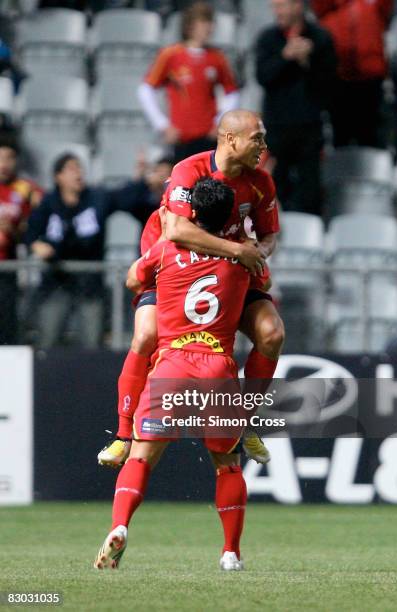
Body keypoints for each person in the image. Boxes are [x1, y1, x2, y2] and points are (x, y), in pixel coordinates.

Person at [97, 109, 284, 468]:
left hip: (226, 270)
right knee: (146, 334)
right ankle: (122, 435)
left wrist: (259, 252)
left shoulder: (261, 181)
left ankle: (244, 421)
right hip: (177, 267)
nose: (263, 146)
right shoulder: (189, 169)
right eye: (257, 138)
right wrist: (237, 250)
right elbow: (178, 231)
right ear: (230, 139)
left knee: (272, 333)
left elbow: (270, 234)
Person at [94, 178, 253, 572]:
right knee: (227, 463)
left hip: (174, 363)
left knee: (142, 456)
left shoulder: (166, 249)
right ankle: (230, 552)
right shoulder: (242, 258)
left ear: (191, 214)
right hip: (217, 363)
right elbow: (260, 284)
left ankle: (120, 526)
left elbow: (133, 279)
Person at [26, 153, 168, 348]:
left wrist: (142, 181)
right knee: (48, 338)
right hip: (55, 283)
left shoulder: (96, 198)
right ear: (58, 176)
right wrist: (36, 244)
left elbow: (125, 200)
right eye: (71, 168)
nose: (78, 172)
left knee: (92, 342)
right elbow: (31, 231)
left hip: (90, 285)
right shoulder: (48, 202)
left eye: (79, 168)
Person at [255, 0, 336, 216]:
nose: (277, 12)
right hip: (276, 128)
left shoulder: (320, 38)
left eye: (281, 6)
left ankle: (307, 239)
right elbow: (263, 77)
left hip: (309, 127)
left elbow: (329, 85)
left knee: (310, 191)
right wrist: (285, 57)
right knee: (274, 187)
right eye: (275, 7)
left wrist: (307, 61)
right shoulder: (268, 39)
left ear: (297, 6)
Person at [138, 1, 240, 163]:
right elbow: (146, 89)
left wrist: (220, 122)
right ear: (190, 25)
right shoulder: (171, 55)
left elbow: (232, 92)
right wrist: (162, 125)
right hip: (180, 139)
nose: (209, 27)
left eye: (210, 22)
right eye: (204, 22)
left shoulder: (216, 57)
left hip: (208, 137)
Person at [311, 0, 393, 147]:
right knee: (340, 131)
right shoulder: (329, 9)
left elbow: (385, 7)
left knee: (371, 132)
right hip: (339, 79)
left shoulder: (371, 7)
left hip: (370, 80)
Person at [0, 137, 42, 345]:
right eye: (0, 158)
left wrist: (16, 230)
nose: (4, 164)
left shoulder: (25, 189)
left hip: (8, 268)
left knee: (7, 321)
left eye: (9, 158)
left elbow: (36, 224)